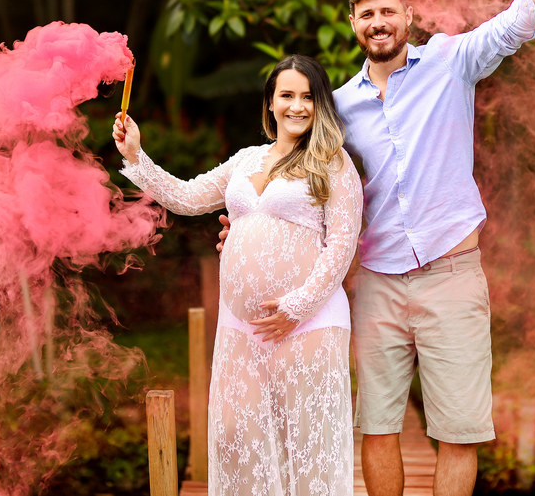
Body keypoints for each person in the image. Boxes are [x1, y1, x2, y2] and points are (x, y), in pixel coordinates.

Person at [218, 0, 535, 496]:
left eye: (387, 10)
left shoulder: (450, 62)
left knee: (459, 430)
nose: (378, 22)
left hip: (453, 273)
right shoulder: (334, 110)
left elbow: (520, 19)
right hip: (379, 282)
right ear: (354, 26)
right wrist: (247, 225)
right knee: (377, 425)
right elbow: (295, 186)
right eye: (366, 14)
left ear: (408, 14)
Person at [113, 54, 363, 496]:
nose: (297, 106)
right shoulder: (246, 159)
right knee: (237, 436)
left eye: (308, 97)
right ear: (270, 102)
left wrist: (295, 307)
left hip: (310, 324)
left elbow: (342, 245)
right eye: (287, 95)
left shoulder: (334, 163)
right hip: (241, 327)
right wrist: (137, 155)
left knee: (305, 443)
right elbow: (188, 197)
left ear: (321, 104)